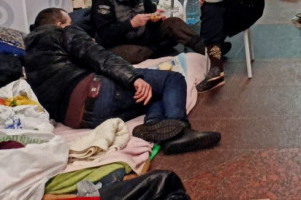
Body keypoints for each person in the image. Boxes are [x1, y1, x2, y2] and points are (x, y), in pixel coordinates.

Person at [24, 8, 221, 154]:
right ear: (60, 24)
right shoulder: (64, 33)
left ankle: (156, 126)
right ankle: (180, 131)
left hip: (77, 118)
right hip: (93, 94)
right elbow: (101, 57)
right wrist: (133, 78)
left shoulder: (27, 51)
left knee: (152, 92)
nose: (71, 24)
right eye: (68, 21)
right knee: (172, 79)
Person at [92, 0, 205, 64]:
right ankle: (157, 48)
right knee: (133, 53)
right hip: (118, 43)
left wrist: (155, 18)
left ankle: (205, 49)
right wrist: (131, 24)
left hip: (142, 36)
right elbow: (104, 34)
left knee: (174, 23)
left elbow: (151, 17)